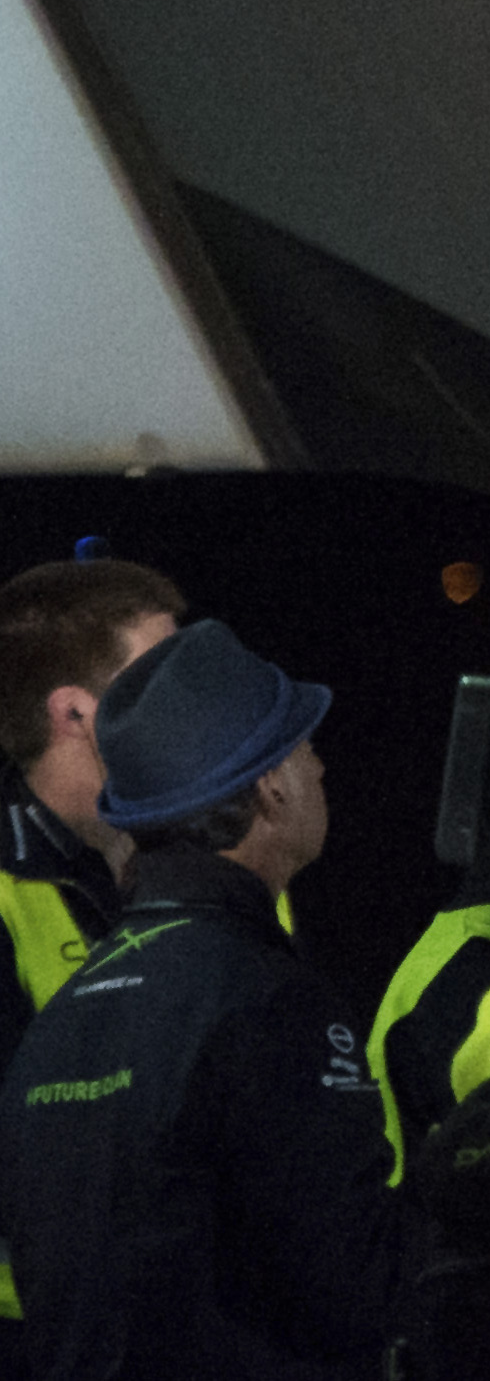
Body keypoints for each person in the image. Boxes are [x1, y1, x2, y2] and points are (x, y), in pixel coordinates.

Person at [0, 617, 401, 1381]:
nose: (320, 769)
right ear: (271, 788)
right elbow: (351, 1290)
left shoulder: (69, 1011)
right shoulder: (268, 1003)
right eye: (305, 746)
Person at [0, 558, 182, 1376]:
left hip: (172, 1313)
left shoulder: (206, 857)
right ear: (74, 713)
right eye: (160, 684)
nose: (193, 707)